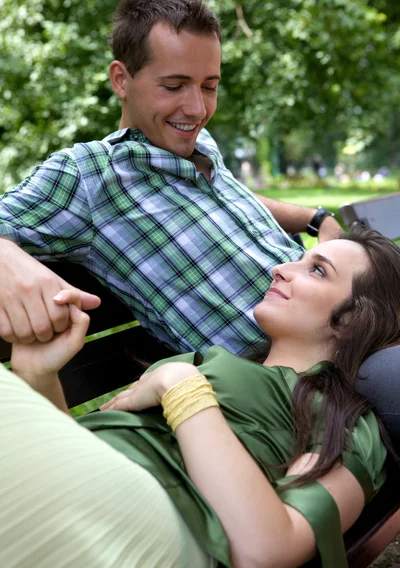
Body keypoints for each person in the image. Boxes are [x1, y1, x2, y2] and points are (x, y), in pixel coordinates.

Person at [2, 225, 399, 568]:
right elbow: (85, 454)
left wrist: (181, 387)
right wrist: (39, 374)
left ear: (352, 319)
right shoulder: (199, 362)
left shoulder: (343, 418)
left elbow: (268, 549)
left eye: (316, 270)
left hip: (149, 522)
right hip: (86, 497)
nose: (280, 269)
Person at [0, 0, 341, 358]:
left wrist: (314, 218)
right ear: (121, 80)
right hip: (290, 383)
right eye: (174, 86)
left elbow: (224, 199)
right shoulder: (90, 175)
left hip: (355, 330)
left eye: (209, 86)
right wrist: (11, 262)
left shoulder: (201, 145)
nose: (197, 108)